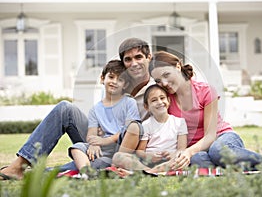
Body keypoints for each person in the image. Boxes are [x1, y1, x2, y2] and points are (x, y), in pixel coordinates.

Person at [0, 37, 154, 180]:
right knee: (65, 108)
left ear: (149, 57)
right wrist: (94, 142)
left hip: (125, 149)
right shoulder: (112, 86)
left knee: (73, 168)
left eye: (138, 57)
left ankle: (41, 174)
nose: (133, 63)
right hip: (102, 141)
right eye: (128, 59)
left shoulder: (157, 90)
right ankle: (18, 166)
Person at [148, 51, 262, 171]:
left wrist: (188, 152)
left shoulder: (206, 91)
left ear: (178, 67)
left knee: (218, 151)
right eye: (158, 80)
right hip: (197, 149)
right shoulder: (165, 100)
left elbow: (210, 136)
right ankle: (237, 167)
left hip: (221, 138)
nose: (164, 83)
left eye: (167, 75)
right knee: (198, 160)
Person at [69, 59, 140, 172]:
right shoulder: (95, 109)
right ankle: (87, 173)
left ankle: (93, 167)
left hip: (120, 148)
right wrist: (93, 144)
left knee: (92, 162)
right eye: (111, 77)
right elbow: (91, 134)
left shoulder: (129, 103)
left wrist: (105, 141)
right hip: (103, 149)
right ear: (102, 79)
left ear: (125, 84)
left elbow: (130, 129)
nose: (114, 81)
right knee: (77, 147)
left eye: (120, 79)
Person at [112, 84, 188, 174]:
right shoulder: (146, 125)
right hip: (148, 163)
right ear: (146, 107)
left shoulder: (180, 122)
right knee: (118, 156)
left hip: (169, 162)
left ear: (168, 100)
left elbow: (182, 149)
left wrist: (173, 155)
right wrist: (149, 156)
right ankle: (148, 171)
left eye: (162, 98)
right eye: (154, 100)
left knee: (181, 159)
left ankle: (146, 173)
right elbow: (140, 151)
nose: (160, 102)